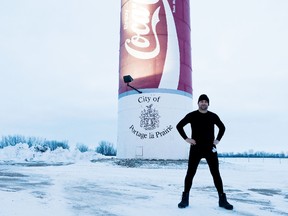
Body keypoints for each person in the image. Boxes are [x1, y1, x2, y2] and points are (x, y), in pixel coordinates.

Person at [176, 94, 233, 210]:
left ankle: (222, 199)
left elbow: (222, 128)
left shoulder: (213, 116)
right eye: (201, 101)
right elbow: (179, 126)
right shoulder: (192, 115)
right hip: (196, 148)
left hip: (209, 149)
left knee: (216, 174)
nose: (203, 103)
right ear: (198, 103)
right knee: (190, 173)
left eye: (205, 101)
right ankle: (185, 198)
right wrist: (187, 139)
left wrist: (217, 140)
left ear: (208, 104)